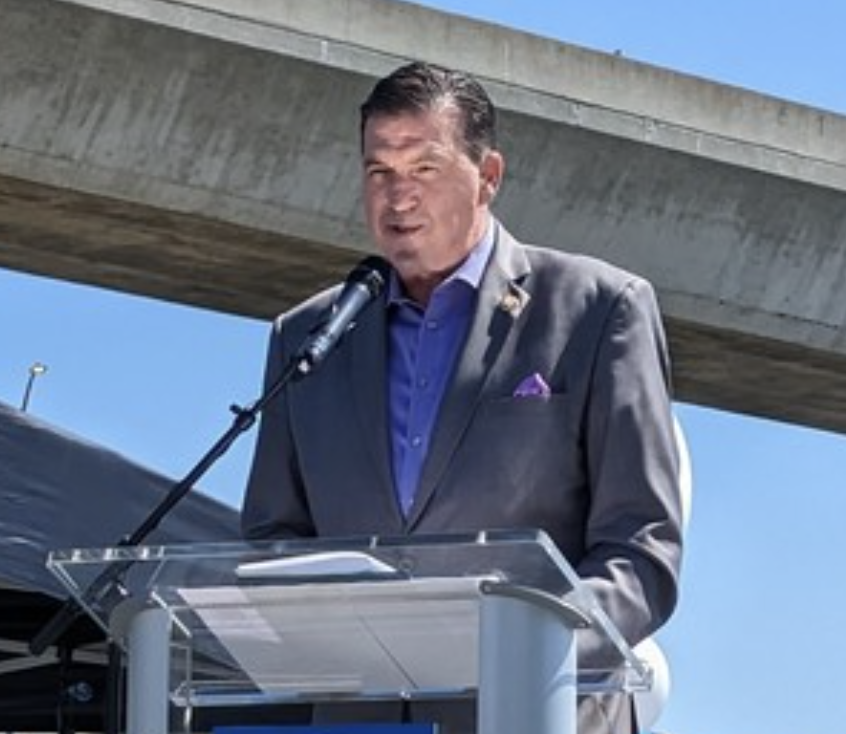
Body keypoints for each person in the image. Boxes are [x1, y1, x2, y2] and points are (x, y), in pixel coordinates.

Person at [241, 61, 683, 734]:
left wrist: (518, 648)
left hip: (541, 712)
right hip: (363, 719)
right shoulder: (307, 336)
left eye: (424, 169)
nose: (398, 198)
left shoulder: (600, 310)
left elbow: (640, 550)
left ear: (489, 176)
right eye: (378, 172)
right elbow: (272, 540)